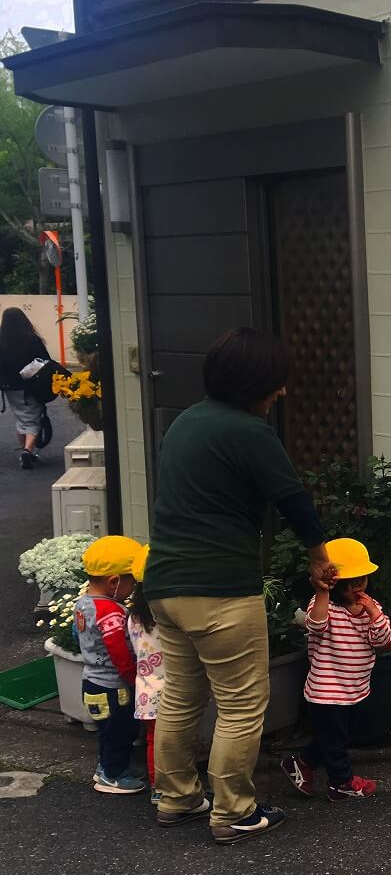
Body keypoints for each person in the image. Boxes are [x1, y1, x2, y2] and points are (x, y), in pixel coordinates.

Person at [146, 328, 336, 845]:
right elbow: (292, 500)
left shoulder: (185, 422)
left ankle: (177, 798)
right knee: (241, 703)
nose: (283, 391)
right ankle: (233, 812)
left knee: (182, 697)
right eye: (277, 382)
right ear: (258, 382)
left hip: (164, 583)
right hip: (221, 589)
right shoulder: (250, 431)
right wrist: (320, 559)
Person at [281, 538, 391, 801]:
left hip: (355, 688)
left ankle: (302, 763)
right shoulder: (325, 605)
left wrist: (374, 614)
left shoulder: (370, 608)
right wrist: (321, 592)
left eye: (362, 580)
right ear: (334, 583)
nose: (358, 587)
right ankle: (341, 783)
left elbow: (383, 640)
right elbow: (316, 626)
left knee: (333, 736)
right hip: (325, 691)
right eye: (350, 583)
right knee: (336, 740)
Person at [76, 535, 146, 796]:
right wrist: (132, 676)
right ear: (114, 581)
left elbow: (79, 636)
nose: (133, 590)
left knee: (107, 731)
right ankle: (113, 776)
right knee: (121, 730)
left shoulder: (84, 604)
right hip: (114, 686)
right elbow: (117, 648)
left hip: (92, 681)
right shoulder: (111, 612)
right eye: (132, 582)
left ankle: (106, 767)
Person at [127, 546, 165, 805]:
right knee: (175, 741)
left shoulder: (134, 616)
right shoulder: (166, 615)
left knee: (154, 740)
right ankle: (168, 786)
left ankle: (157, 787)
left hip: (146, 689)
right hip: (172, 688)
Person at [0, 307, 52, 470]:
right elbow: (46, 361)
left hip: (9, 387)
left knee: (21, 417)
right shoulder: (32, 340)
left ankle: (25, 451)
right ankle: (28, 450)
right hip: (31, 386)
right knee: (32, 418)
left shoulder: (2, 341)